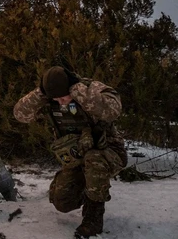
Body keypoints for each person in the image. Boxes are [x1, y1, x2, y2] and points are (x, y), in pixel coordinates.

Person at [14, 66, 127, 238]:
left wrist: (77, 91)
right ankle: (90, 190)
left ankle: (93, 218)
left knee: (93, 159)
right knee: (62, 201)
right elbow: (20, 115)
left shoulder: (91, 88)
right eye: (56, 99)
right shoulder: (51, 98)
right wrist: (41, 92)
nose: (61, 102)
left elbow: (113, 111)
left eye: (63, 97)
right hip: (76, 158)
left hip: (109, 153)